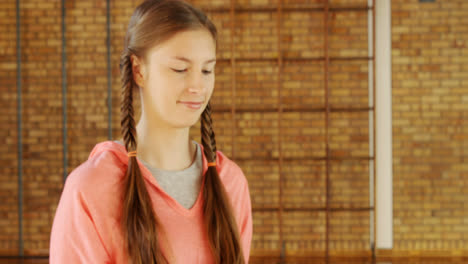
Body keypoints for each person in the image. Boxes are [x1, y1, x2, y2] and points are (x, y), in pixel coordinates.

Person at [49, 0, 253, 263]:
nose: (197, 86)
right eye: (180, 69)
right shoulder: (90, 188)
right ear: (138, 70)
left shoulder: (230, 182)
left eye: (207, 70)